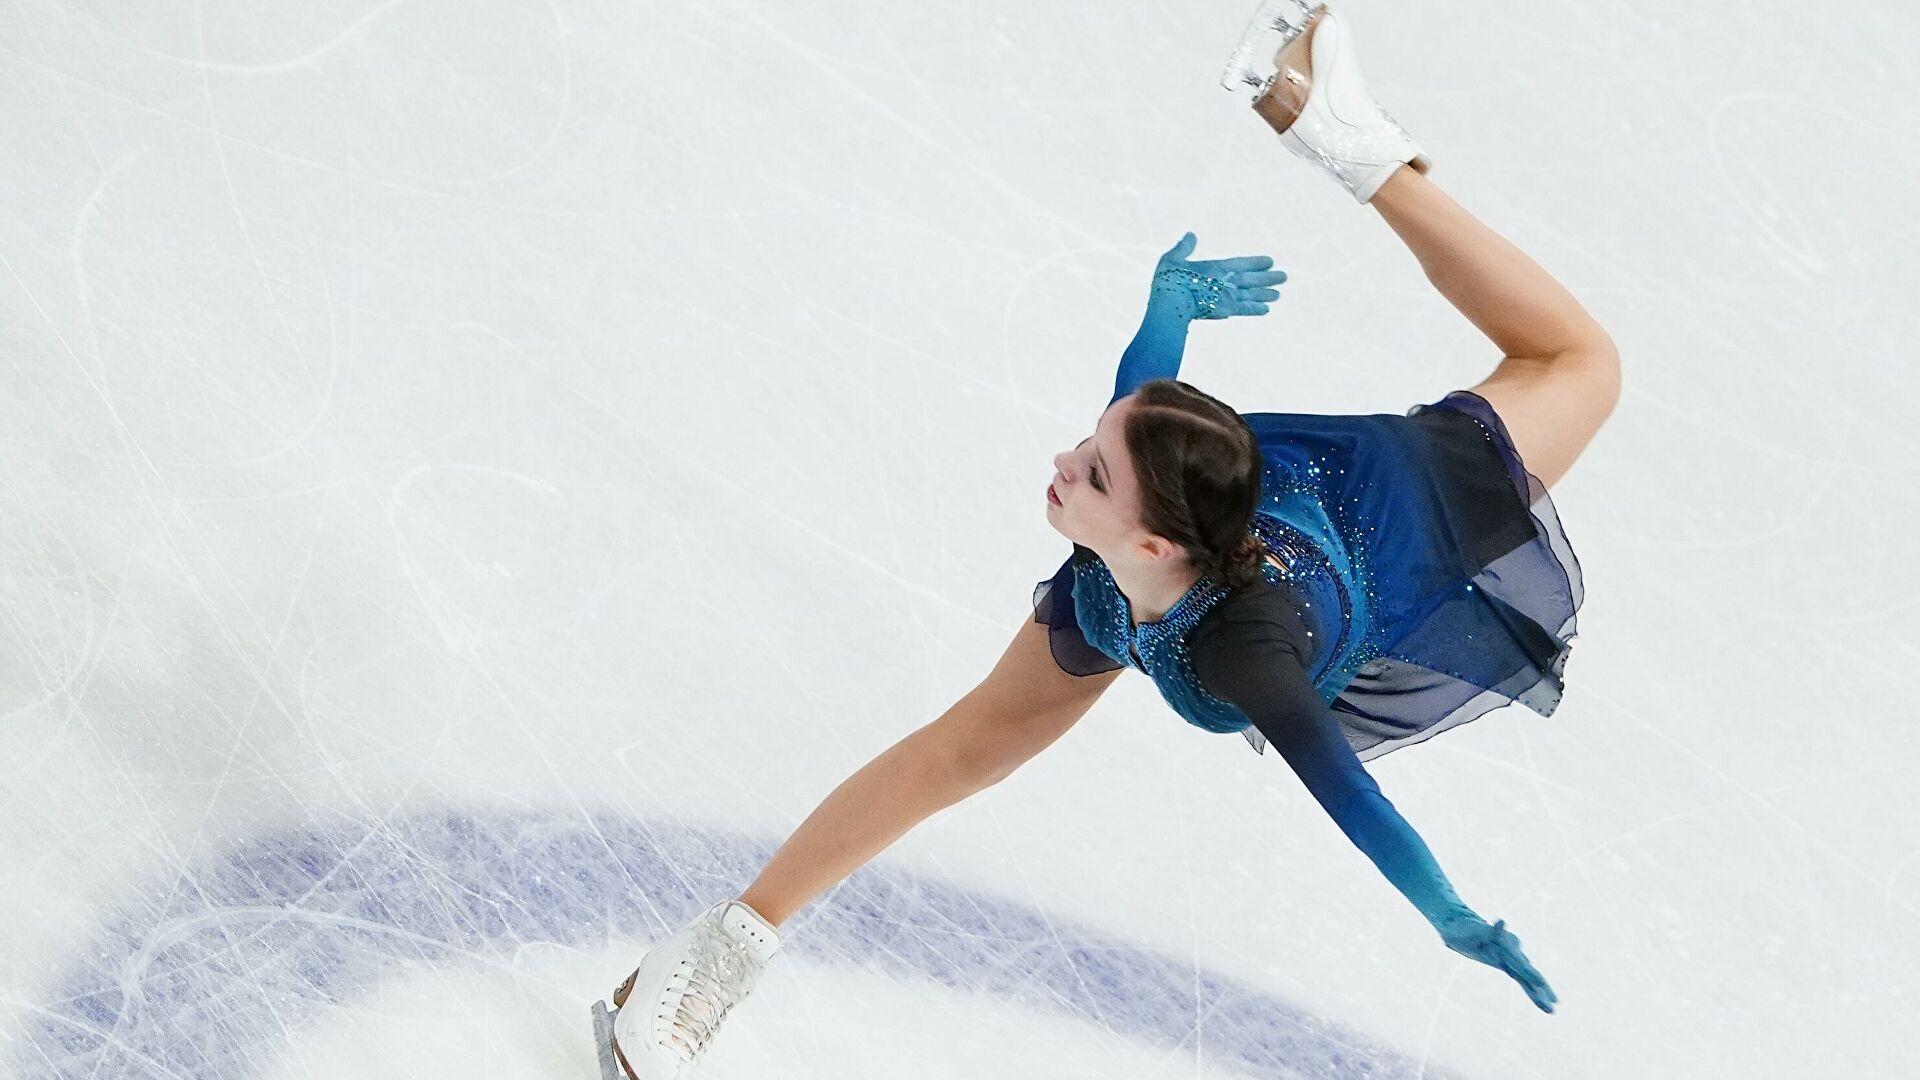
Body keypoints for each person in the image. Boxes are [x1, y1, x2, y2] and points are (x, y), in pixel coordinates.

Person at [593, 4, 1620, 1075]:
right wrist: (1167, 301)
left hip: (1401, 512)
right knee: (966, 748)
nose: (1058, 462)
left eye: (1088, 473)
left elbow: (1346, 788)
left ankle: (1356, 144)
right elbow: (1143, 386)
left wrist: (1447, 910)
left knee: (1580, 363)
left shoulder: (1247, 654)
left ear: (1152, 545)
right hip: (1238, 501)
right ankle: (708, 960)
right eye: (1086, 446)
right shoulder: (1125, 532)